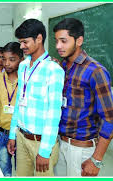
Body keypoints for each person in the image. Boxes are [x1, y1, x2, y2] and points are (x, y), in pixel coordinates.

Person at [53, 18, 113, 176]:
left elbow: (109, 118)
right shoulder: (62, 67)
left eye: (63, 41)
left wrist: (96, 159)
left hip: (82, 149)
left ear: (79, 40)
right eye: (57, 41)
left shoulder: (96, 71)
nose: (58, 46)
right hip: (60, 143)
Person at [7, 19, 65, 176]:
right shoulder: (23, 66)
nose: (21, 46)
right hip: (22, 137)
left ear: (39, 39)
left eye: (25, 42)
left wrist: (45, 151)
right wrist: (13, 135)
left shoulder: (53, 69)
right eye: (20, 42)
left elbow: (54, 114)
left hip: (41, 142)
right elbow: (19, 101)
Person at [0, 42, 23, 176]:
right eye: (4, 59)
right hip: (1, 132)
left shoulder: (25, 79)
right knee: (4, 172)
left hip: (20, 134)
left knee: (22, 171)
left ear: (21, 59)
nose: (7, 63)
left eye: (12, 59)